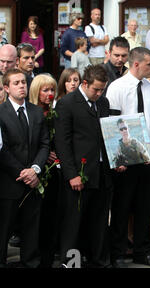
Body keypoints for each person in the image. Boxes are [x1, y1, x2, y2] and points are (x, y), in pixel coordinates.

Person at [106, 47, 150, 268]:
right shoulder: (117, 88)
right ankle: (118, 251)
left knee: (145, 207)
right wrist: (117, 159)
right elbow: (112, 125)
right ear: (136, 64)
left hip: (148, 156)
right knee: (122, 206)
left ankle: (142, 250)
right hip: (125, 157)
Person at [54, 65, 112, 268]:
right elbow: (62, 143)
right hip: (79, 175)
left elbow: (107, 135)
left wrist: (115, 160)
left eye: (102, 89)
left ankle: (99, 261)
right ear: (84, 83)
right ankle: (71, 264)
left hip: (102, 173)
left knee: (99, 221)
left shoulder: (103, 102)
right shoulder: (67, 104)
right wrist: (71, 175)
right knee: (73, 224)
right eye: (96, 89)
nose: (99, 93)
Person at [0, 68, 49, 268]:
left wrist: (35, 169)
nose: (22, 86)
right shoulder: (1, 113)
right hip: (9, 181)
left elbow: (45, 143)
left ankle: (31, 262)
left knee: (32, 228)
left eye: (23, 82)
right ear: (6, 88)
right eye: (16, 83)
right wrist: (22, 172)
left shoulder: (36, 111)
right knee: (4, 228)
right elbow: (2, 149)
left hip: (33, 181)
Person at [28, 73, 60, 267]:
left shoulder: (56, 113)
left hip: (54, 169)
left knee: (51, 213)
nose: (49, 94)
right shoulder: (31, 112)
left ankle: (48, 256)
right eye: (45, 90)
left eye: (52, 90)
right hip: (36, 168)